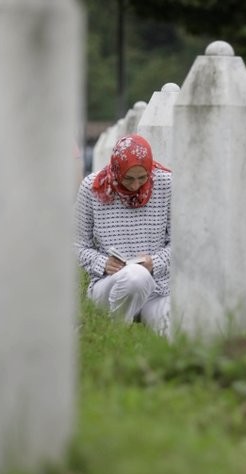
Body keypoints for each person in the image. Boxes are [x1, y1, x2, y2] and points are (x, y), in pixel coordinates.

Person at [75, 133, 171, 335]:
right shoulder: (92, 188)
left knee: (174, 328)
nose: (135, 185)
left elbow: (181, 243)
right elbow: (77, 246)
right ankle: (115, 334)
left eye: (142, 178)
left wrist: (154, 262)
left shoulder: (167, 185)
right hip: (108, 285)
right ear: (117, 170)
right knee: (135, 276)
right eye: (128, 178)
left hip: (157, 289)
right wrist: (103, 263)